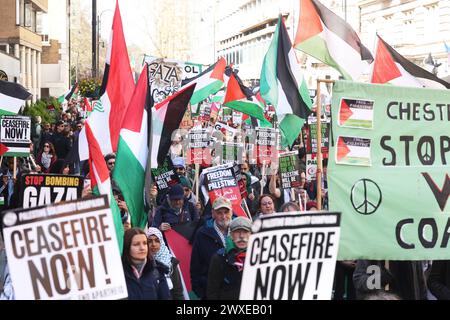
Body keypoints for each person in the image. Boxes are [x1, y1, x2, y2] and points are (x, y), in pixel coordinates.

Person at [190, 196, 233, 299]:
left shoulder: (240, 231)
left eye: (226, 212)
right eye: (219, 213)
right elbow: (195, 266)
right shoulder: (202, 233)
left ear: (231, 212)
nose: (223, 216)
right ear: (213, 213)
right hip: (211, 292)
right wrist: (201, 293)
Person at [207, 217, 252, 300]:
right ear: (231, 235)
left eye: (245, 232)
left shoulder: (259, 257)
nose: (241, 236)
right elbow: (212, 291)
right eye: (237, 232)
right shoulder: (219, 258)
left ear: (251, 234)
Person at [122, 228, 170, 300]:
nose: (142, 248)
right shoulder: (118, 274)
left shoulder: (157, 271)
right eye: (136, 244)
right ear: (127, 247)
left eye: (145, 243)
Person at [146, 228, 185, 300]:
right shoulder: (144, 264)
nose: (153, 244)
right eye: (150, 241)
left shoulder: (170, 263)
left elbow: (178, 292)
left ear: (162, 242)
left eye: (157, 241)